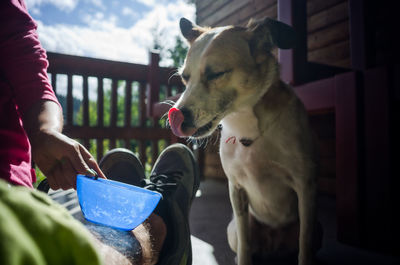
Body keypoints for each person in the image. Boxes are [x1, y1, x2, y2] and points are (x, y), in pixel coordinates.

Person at [0, 0, 199, 264]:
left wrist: (44, 133)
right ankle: (162, 226)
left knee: (104, 223)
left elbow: (35, 82)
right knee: (116, 229)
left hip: (10, 191)